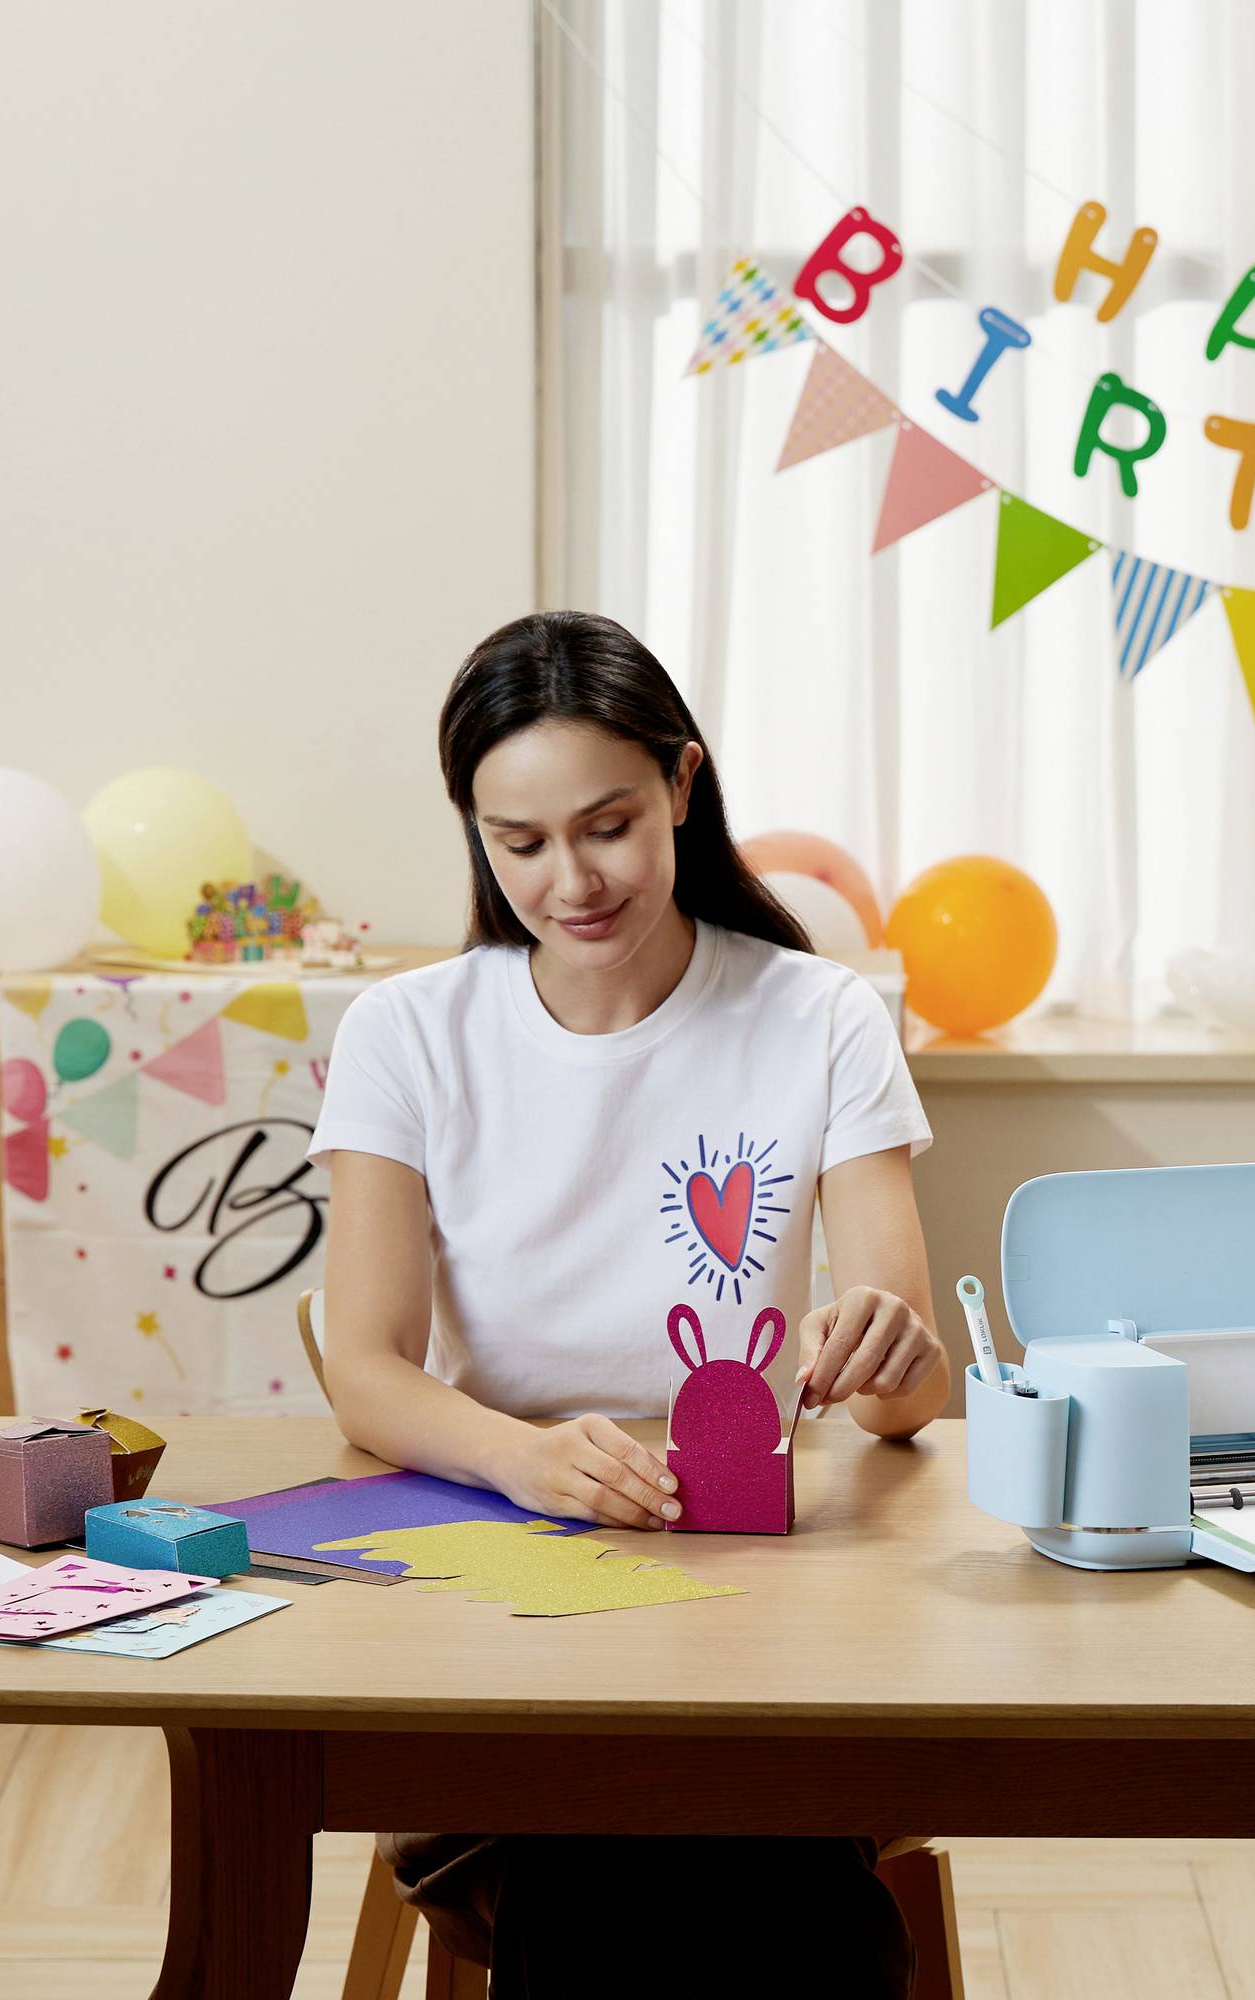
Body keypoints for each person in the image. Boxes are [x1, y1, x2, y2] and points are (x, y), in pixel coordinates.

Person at [310, 609, 946, 1996]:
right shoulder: (407, 1034)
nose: (570, 879)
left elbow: (908, 1397)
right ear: (474, 833)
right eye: (518, 841)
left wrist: (892, 1351)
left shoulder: (821, 1016)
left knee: (689, 1828)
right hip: (501, 1614)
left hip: (760, 1621)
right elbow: (364, 1367)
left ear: (683, 785)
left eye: (606, 824)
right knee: (644, 1835)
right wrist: (527, 1458)